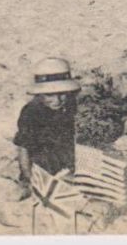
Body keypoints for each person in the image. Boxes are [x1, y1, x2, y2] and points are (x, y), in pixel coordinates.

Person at [14, 57, 79, 196]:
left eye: (62, 94)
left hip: (66, 154)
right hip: (43, 159)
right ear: (40, 94)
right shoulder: (31, 112)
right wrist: (28, 177)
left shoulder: (71, 105)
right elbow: (23, 147)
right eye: (50, 95)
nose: (57, 100)